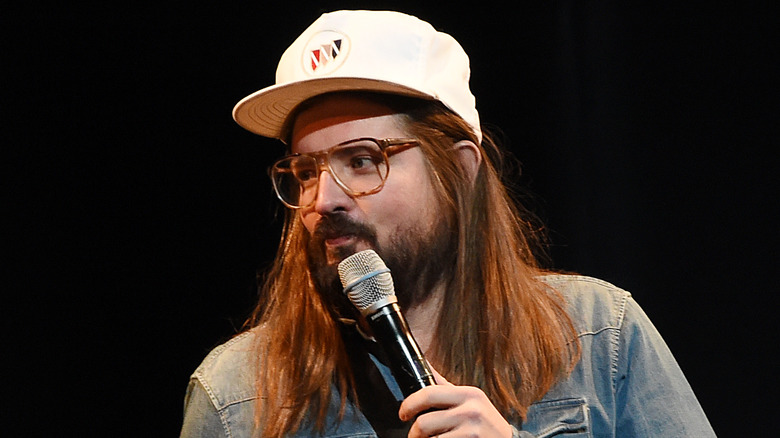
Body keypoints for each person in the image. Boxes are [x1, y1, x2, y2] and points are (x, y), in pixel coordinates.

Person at [180, 10, 714, 437]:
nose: (323, 200)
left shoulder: (601, 336)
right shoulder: (236, 394)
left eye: (362, 160)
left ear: (458, 171)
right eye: (304, 171)